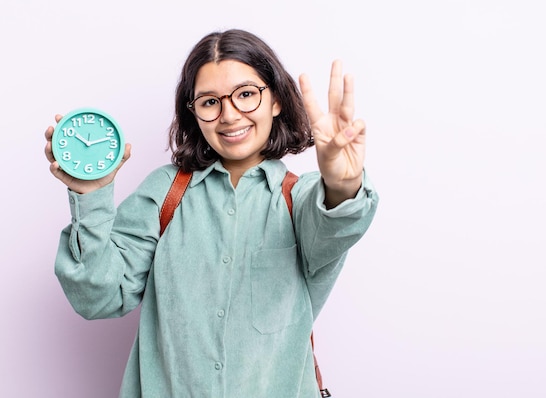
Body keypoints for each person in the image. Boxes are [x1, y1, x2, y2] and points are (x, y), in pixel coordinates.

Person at [44, 29, 378, 398]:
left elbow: (335, 224)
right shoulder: (165, 193)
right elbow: (99, 297)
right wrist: (90, 193)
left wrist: (342, 182)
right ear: (194, 112)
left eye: (246, 95)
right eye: (209, 102)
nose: (229, 115)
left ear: (277, 100)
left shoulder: (301, 198)